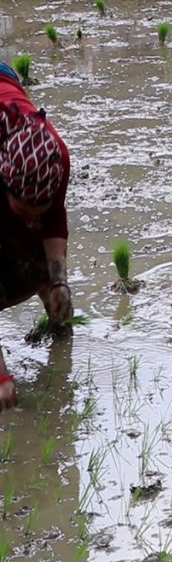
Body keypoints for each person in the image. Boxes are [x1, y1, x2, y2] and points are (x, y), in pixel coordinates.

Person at [0, 61, 72, 410]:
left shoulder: (55, 155)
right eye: (23, 210)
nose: (33, 222)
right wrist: (1, 377)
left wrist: (57, 282)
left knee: (28, 242)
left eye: (37, 213)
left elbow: (54, 217)